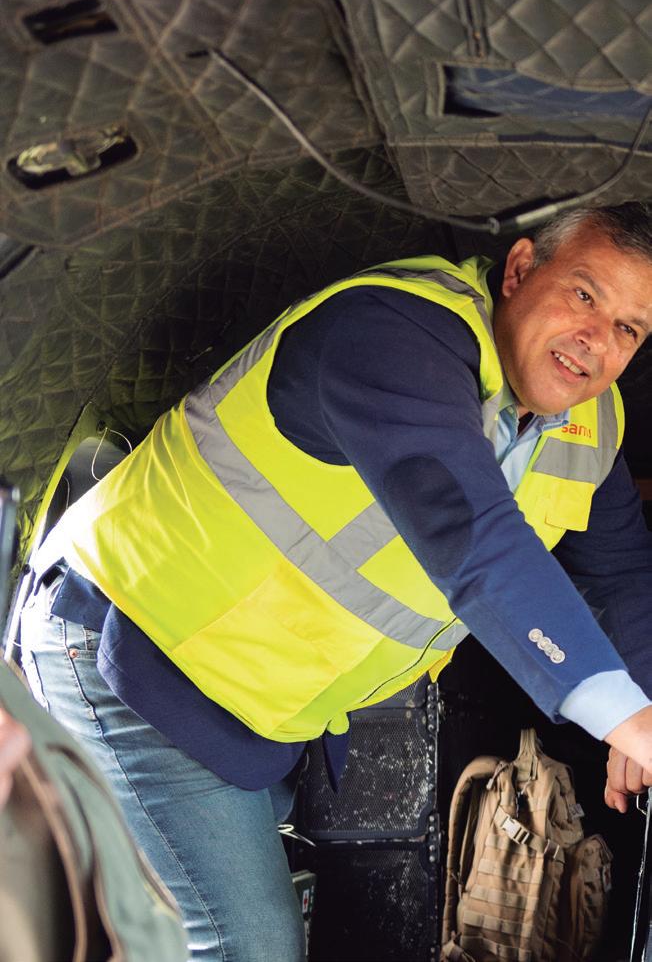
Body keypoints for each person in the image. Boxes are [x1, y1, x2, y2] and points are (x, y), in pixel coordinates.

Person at [19, 201, 652, 961]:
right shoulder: (393, 332)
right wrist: (626, 721)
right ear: (519, 271)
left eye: (629, 329)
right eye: (584, 295)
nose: (596, 339)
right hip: (132, 650)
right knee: (245, 947)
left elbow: (620, 575)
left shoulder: (594, 424)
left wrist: (642, 705)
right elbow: (473, 538)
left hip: (255, 705)